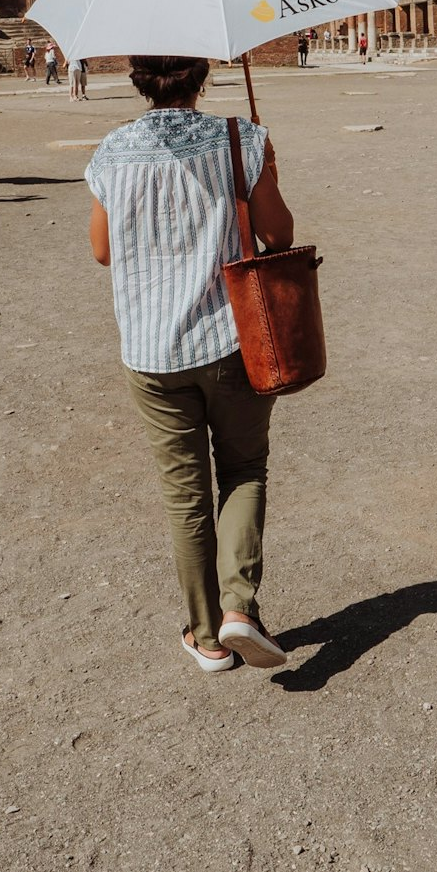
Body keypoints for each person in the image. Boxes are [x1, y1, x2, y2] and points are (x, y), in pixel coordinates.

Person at [85, 56, 296, 674]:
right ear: (202, 74)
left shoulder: (112, 152)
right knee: (244, 469)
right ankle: (239, 607)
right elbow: (279, 237)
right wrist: (265, 169)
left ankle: (206, 637)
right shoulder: (241, 140)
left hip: (151, 352)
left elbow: (101, 251)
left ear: (138, 80)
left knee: (185, 498)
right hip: (232, 340)